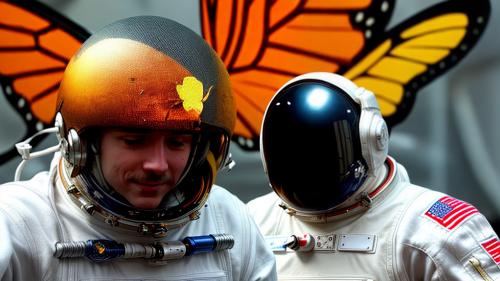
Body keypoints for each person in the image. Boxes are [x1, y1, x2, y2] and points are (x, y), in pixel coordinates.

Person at [0, 16, 276, 280]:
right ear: (81, 145)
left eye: (177, 143)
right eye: (134, 141)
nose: (157, 164)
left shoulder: (229, 220)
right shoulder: (21, 222)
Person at [247, 72, 500, 280]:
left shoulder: (433, 233)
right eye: (293, 151)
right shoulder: (254, 223)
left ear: (373, 137)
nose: (308, 166)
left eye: (320, 151)